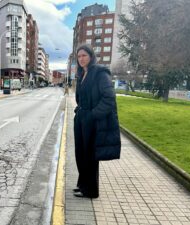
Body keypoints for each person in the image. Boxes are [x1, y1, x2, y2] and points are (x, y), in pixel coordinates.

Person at [73, 44, 121, 198]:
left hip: (91, 120)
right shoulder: (82, 74)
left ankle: (91, 190)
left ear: (91, 56)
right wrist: (79, 112)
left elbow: (109, 98)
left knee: (90, 156)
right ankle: (83, 185)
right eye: (79, 56)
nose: (81, 59)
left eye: (84, 56)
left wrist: (93, 115)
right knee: (80, 154)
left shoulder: (100, 73)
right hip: (81, 118)